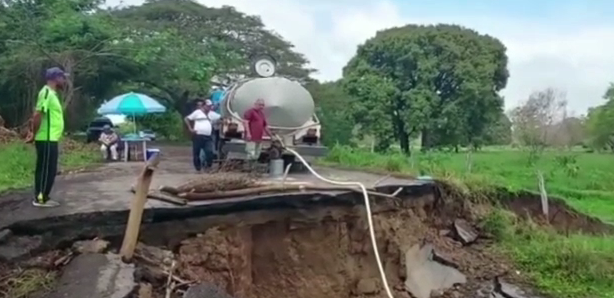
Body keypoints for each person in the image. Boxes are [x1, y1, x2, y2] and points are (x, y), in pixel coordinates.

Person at [25, 67, 67, 207]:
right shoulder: (46, 93)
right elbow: (37, 114)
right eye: (62, 77)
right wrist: (33, 133)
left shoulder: (52, 94)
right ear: (56, 78)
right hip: (46, 138)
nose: (64, 80)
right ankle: (41, 199)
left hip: (51, 138)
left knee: (48, 169)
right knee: (46, 170)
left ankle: (43, 197)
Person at [185, 99, 221, 173]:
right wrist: (190, 129)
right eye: (207, 106)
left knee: (209, 152)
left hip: (207, 136)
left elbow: (220, 118)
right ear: (204, 106)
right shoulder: (197, 112)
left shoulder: (212, 114)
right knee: (196, 153)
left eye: (210, 106)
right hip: (198, 135)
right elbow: (187, 118)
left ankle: (208, 167)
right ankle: (198, 168)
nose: (209, 108)